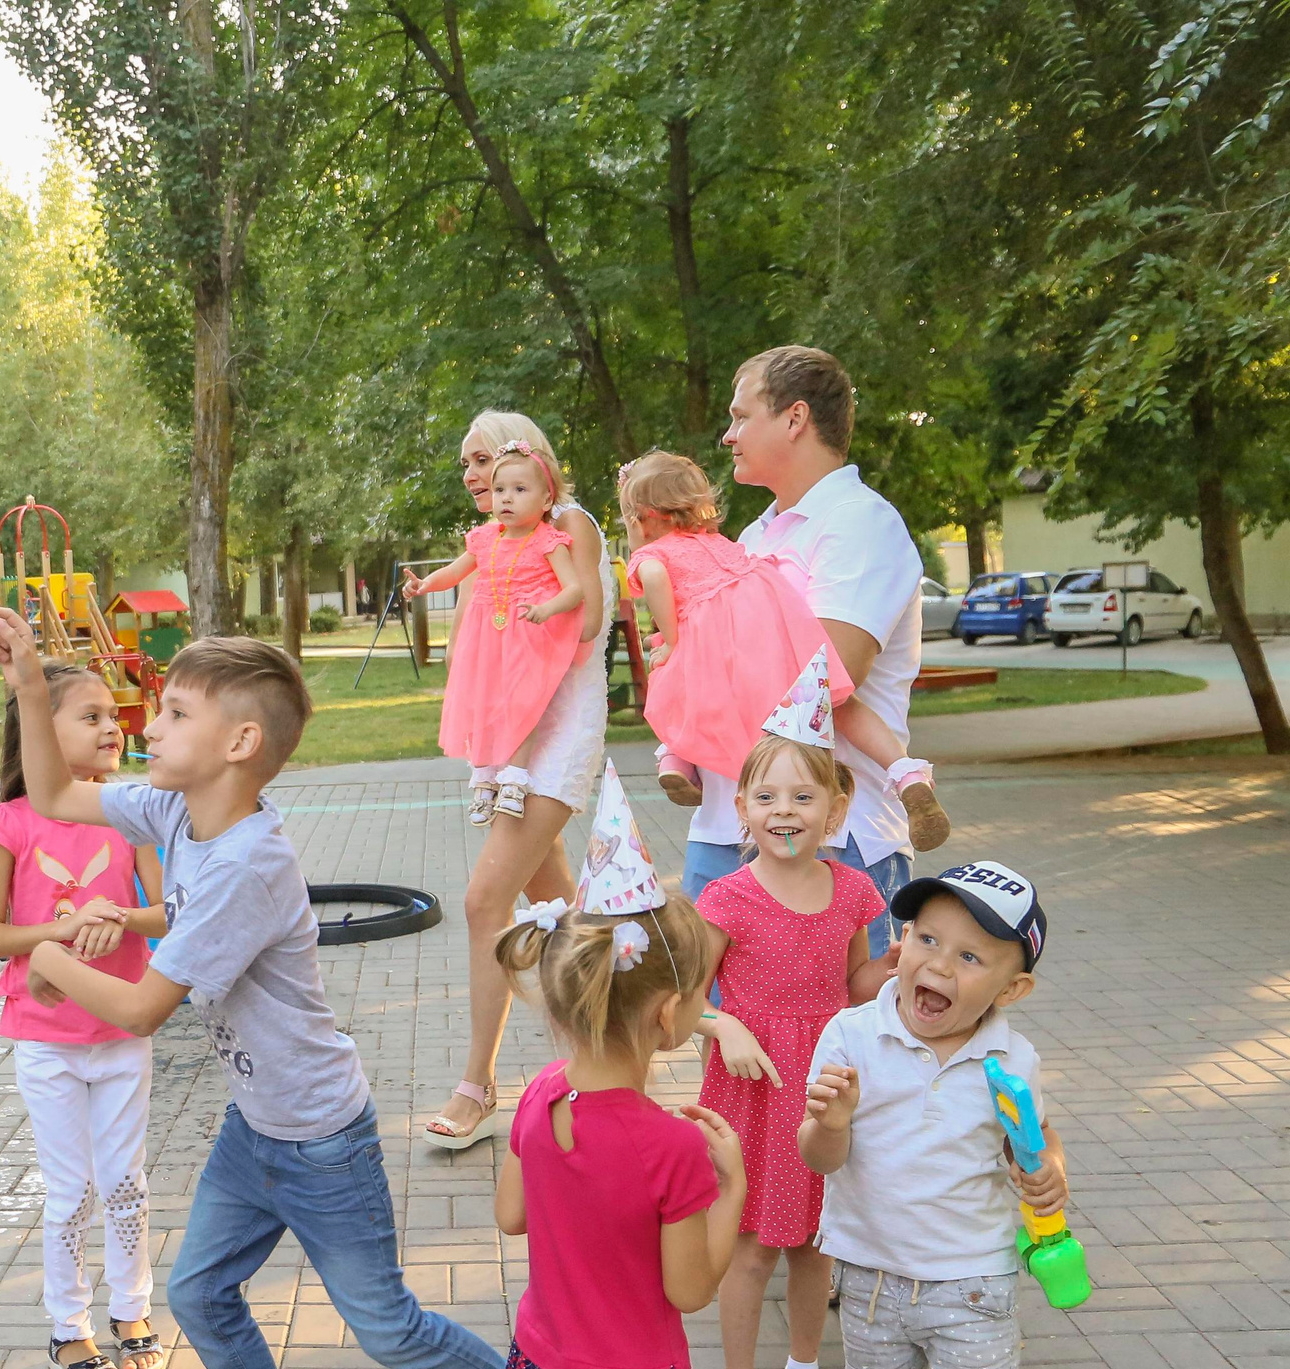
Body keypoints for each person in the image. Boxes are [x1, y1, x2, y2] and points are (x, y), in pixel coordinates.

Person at [0, 605, 533, 1369]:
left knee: (388, 1328)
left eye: (174, 712)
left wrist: (51, 958)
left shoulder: (245, 863)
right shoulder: (176, 812)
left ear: (238, 741)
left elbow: (146, 1006)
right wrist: (31, 684)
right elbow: (54, 796)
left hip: (322, 1141)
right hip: (255, 1128)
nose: (147, 725)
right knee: (198, 1290)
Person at [491, 766, 747, 1369]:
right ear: (670, 1016)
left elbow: (513, 1215)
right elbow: (690, 1290)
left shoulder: (535, 1097)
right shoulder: (675, 1150)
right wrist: (732, 1186)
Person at [799, 860, 1070, 1369]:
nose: (938, 964)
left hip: (971, 1280)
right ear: (900, 940)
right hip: (872, 1274)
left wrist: (1048, 1174)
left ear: (1010, 990)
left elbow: (1039, 1139)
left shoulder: (1010, 1060)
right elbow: (817, 1157)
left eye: (970, 956)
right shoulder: (851, 1034)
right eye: (926, 938)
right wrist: (835, 1119)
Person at [691, 658, 898, 1369]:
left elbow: (856, 984)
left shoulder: (854, 893)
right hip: (754, 1085)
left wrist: (903, 966)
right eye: (768, 797)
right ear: (741, 809)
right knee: (754, 1243)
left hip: (825, 1085)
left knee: (819, 1238)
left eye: (804, 796)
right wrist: (723, 1027)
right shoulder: (726, 899)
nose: (786, 811)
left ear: (836, 808)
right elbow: (678, 1003)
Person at [683, 348, 943, 952]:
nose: (729, 435)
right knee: (724, 1037)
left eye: (742, 417)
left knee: (833, 1041)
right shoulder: (754, 535)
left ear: (795, 417)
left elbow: (825, 677)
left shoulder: (859, 523)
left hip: (834, 838)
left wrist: (709, 657)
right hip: (729, 825)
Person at [0, 660, 169, 1369]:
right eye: (89, 716)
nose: (112, 726)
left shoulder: (131, 810)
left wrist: (115, 917)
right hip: (45, 1039)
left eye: (111, 715)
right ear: (37, 731)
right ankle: (68, 1327)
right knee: (72, 1188)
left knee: (125, 1181)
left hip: (121, 1032)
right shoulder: (8, 822)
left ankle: (133, 1310)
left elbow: (170, 908)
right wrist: (62, 926)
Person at [421, 411, 614, 1147]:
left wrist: (536, 602)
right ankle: (609, 1052)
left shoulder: (568, 525)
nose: (473, 479)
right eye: (468, 468)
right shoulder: (497, 540)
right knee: (561, 910)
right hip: (511, 731)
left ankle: (477, 1084)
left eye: (484, 462)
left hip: (558, 730)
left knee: (482, 901)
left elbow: (589, 620)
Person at [625, 451, 947, 850]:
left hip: (729, 655)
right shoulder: (725, 542)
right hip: (777, 633)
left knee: (679, 682)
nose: (730, 435)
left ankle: (676, 760)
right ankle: (907, 772)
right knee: (837, 701)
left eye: (741, 417)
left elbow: (656, 579)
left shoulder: (654, 554)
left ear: (642, 517)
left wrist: (671, 639)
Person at [405, 442, 598, 825]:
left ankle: (514, 777)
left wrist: (547, 609)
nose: (506, 499)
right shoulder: (485, 538)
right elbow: (455, 571)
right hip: (488, 636)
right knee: (484, 703)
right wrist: (424, 584)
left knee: (521, 704)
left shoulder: (547, 540)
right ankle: (484, 778)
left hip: (528, 633)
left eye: (520, 490)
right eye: (500, 490)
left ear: (546, 500)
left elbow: (574, 588)